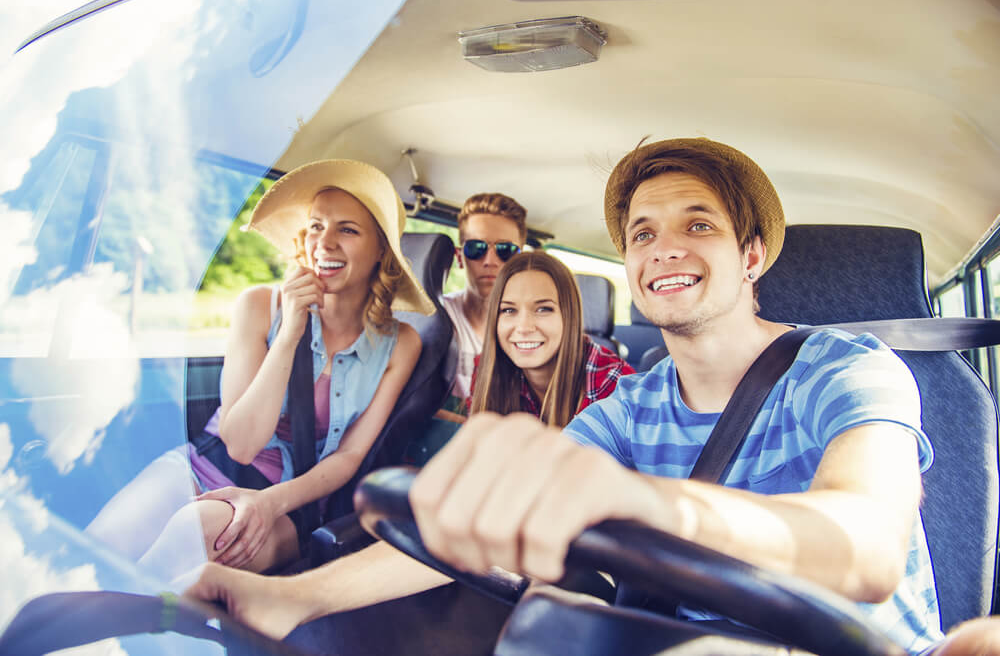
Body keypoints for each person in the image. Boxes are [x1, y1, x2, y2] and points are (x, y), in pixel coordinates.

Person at [187, 139, 995, 654]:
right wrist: (291, 598)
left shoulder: (843, 368)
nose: (663, 247)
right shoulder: (629, 411)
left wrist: (647, 503)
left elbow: (867, 541)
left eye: (698, 226)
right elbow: (482, 532)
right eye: (642, 234)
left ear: (752, 255)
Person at [87, 159, 433, 577]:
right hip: (203, 465)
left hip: (288, 502)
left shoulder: (402, 343)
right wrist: (289, 334)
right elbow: (241, 444)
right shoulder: (257, 306)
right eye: (317, 226)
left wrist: (269, 504)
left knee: (182, 545)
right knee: (95, 555)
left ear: (381, 250)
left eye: (348, 229)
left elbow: (349, 456)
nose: (325, 242)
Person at [468, 250, 633, 427]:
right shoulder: (486, 369)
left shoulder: (614, 384)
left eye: (543, 309)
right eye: (508, 310)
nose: (524, 327)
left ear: (569, 316)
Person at [437, 192, 528, 422]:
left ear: (520, 259)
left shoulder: (533, 332)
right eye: (476, 248)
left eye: (505, 250)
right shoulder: (434, 319)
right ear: (459, 257)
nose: (490, 260)